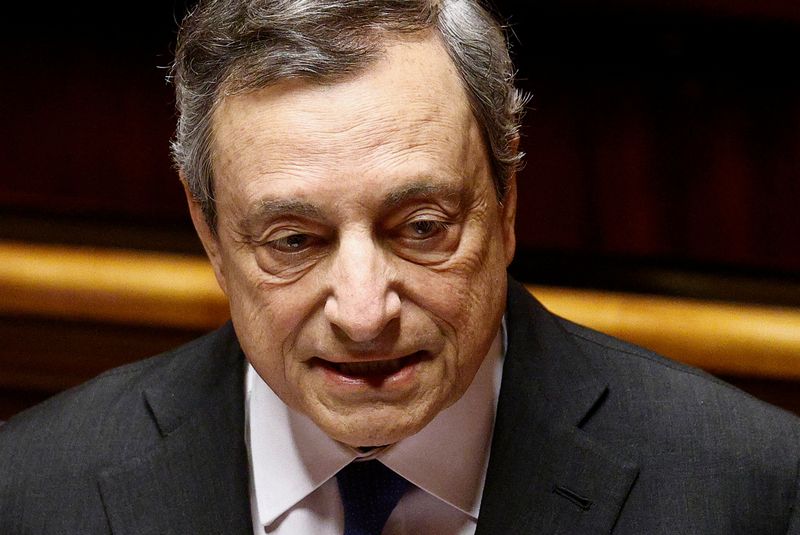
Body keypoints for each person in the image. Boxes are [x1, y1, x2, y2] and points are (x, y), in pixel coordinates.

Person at [2, 0, 800, 533]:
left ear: (507, 204)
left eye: (420, 228)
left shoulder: (754, 492)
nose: (363, 313)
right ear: (209, 233)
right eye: (294, 241)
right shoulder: (30, 491)